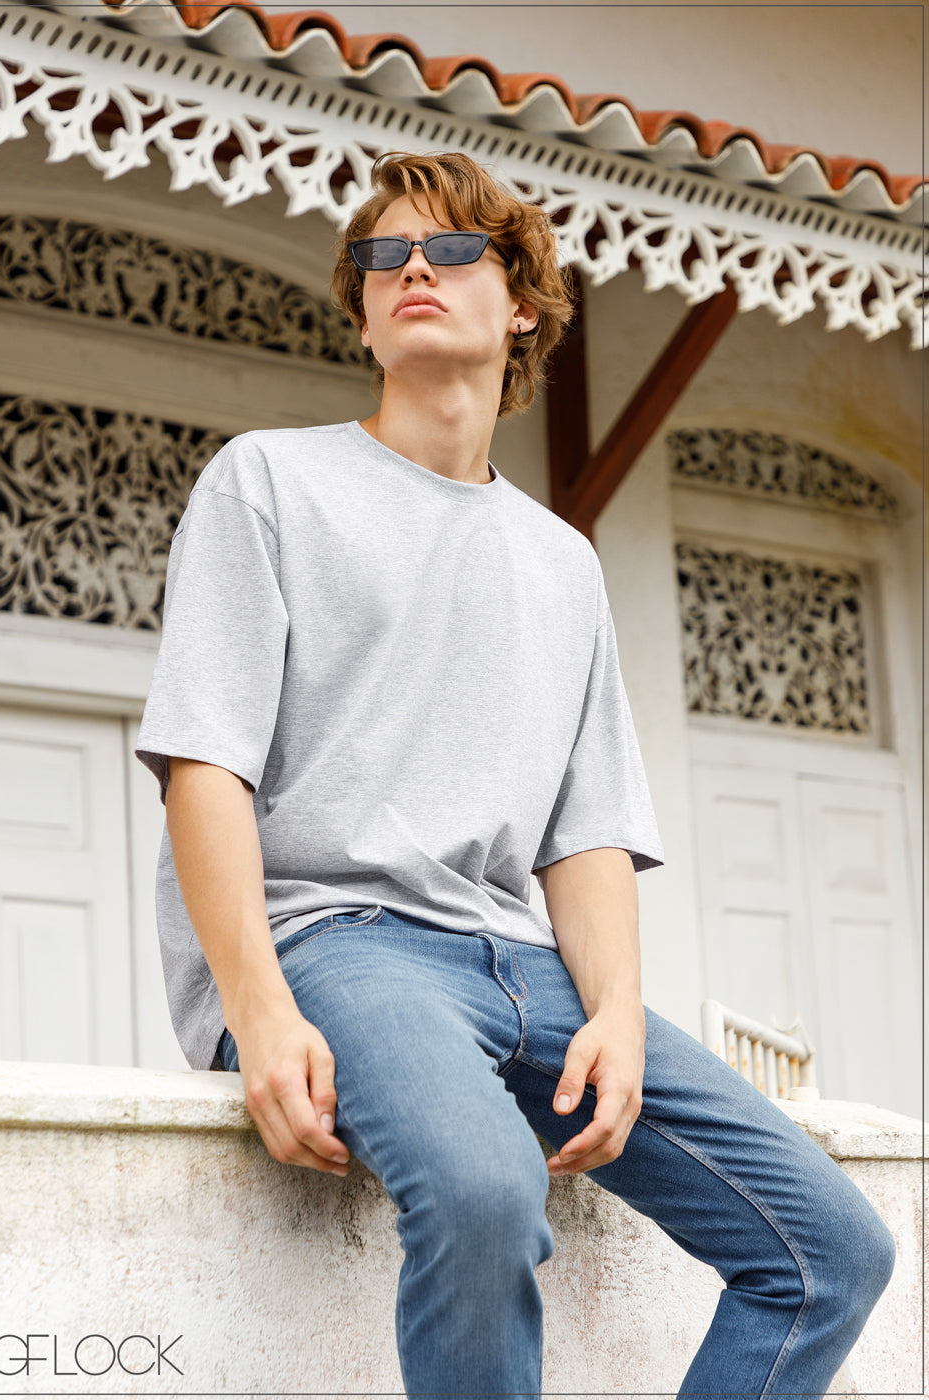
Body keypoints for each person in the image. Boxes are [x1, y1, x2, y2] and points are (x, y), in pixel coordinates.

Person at [135, 150, 895, 1399]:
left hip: (523, 968)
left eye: (447, 249)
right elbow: (203, 769)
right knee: (487, 1190)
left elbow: (582, 832)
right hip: (338, 940)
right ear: (362, 312)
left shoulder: (561, 563)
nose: (411, 269)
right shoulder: (269, 482)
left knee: (832, 1249)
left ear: (525, 305)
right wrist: (253, 1009)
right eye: (382, 257)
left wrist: (617, 1012)